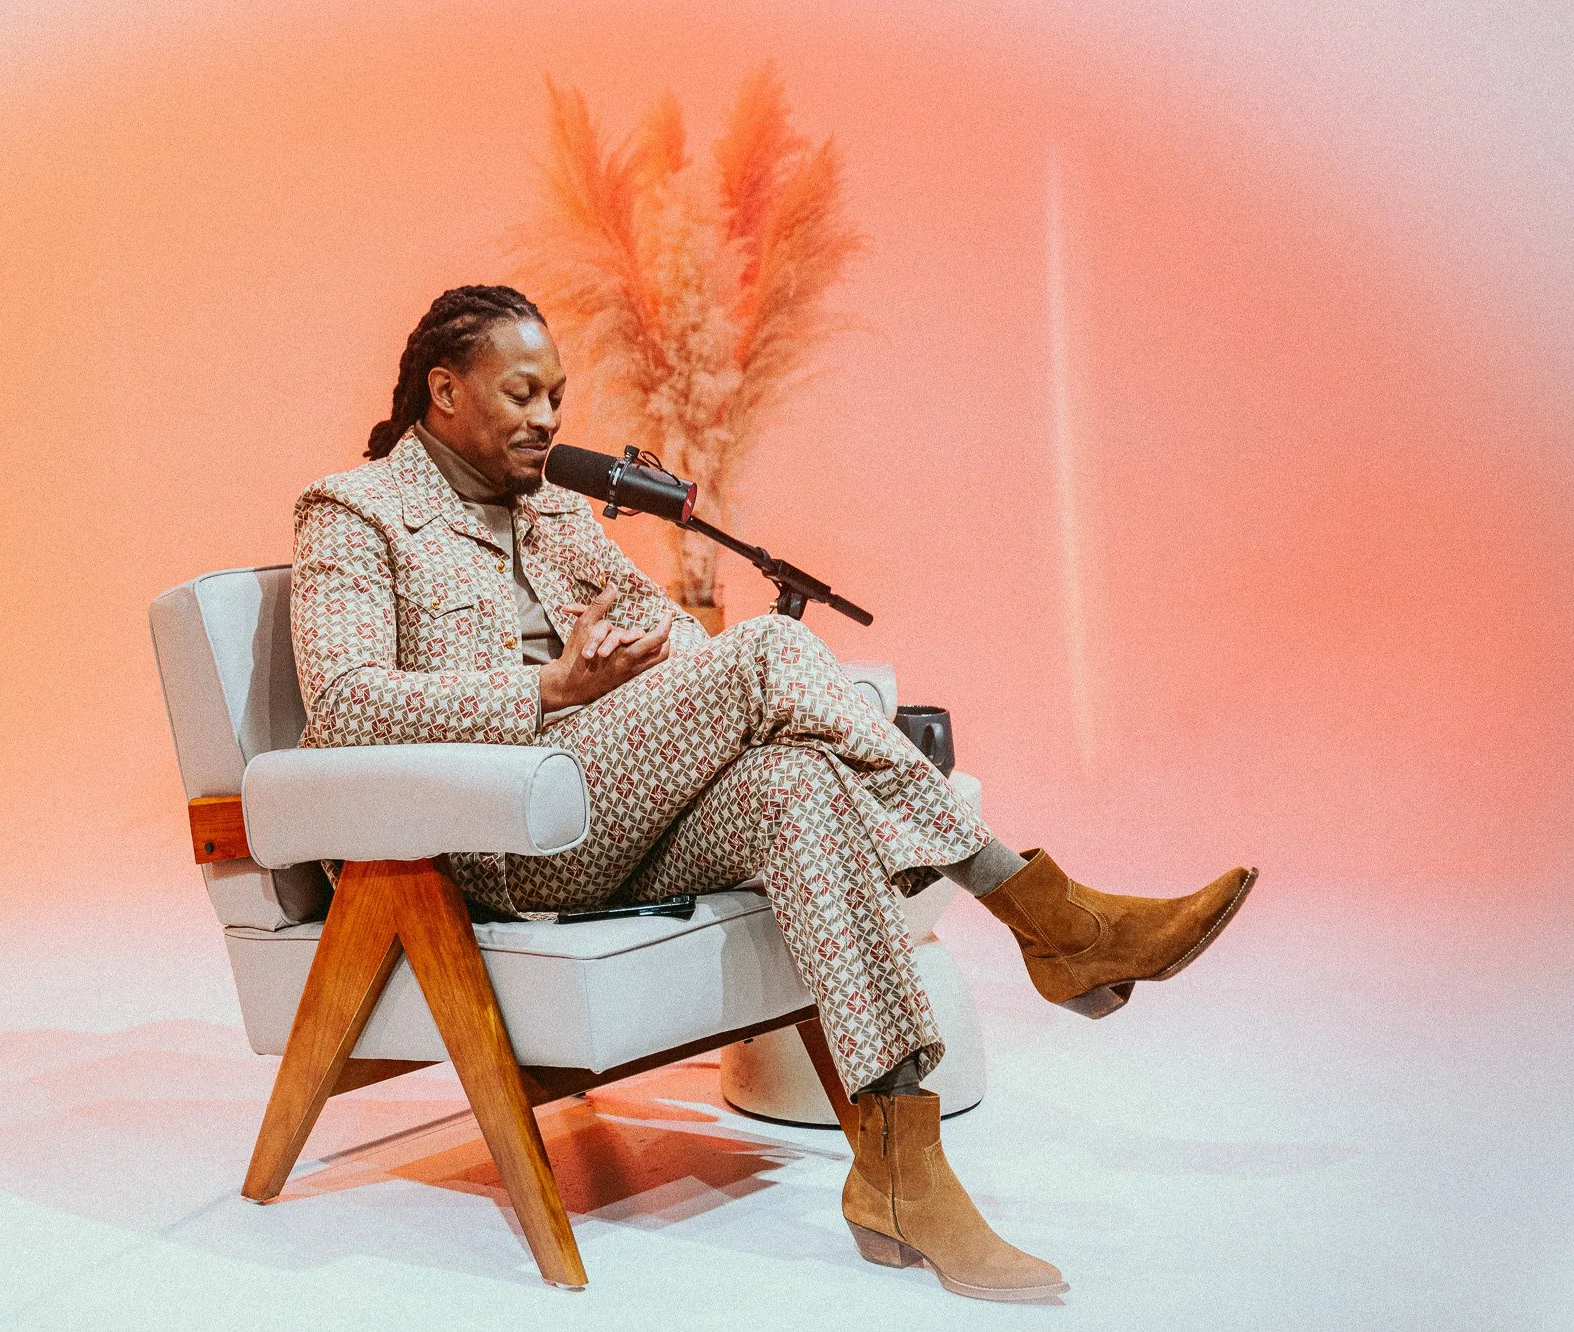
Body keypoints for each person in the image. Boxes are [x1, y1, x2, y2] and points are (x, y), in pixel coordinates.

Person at [288, 284, 1255, 1304]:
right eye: (521, 393)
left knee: (794, 780)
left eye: (557, 398)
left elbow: (689, 648)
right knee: (771, 648)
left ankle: (899, 1166)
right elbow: (345, 706)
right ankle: (1040, 913)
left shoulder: (553, 511)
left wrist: (648, 679)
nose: (547, 420)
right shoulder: (354, 512)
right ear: (443, 390)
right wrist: (548, 687)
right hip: (491, 840)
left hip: (611, 805)